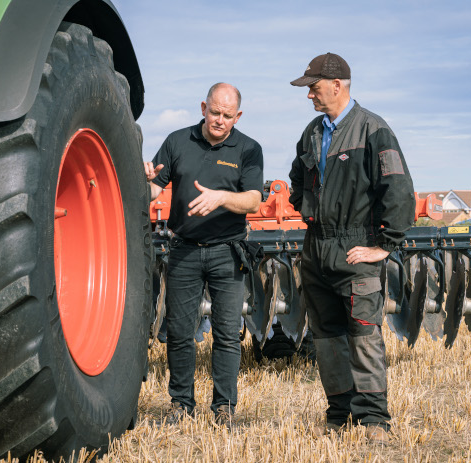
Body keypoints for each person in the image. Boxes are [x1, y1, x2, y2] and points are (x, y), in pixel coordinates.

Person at [288, 53, 415, 443]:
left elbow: (398, 189)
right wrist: (307, 208)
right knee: (326, 338)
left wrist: (384, 245)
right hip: (317, 247)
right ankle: (339, 414)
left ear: (337, 85)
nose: (309, 93)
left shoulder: (373, 130)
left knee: (363, 336)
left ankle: (374, 420)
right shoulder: (312, 131)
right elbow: (297, 179)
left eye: (314, 86)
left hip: (356, 245)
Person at [144, 83, 264, 426]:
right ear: (203, 108)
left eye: (228, 115)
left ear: (237, 116)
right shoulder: (177, 141)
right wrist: (144, 181)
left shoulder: (248, 149)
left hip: (229, 252)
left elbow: (254, 199)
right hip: (184, 251)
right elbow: (154, 188)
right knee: (180, 333)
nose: (220, 120)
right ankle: (181, 404)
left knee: (227, 334)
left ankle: (224, 407)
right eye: (215, 112)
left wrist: (221, 198)